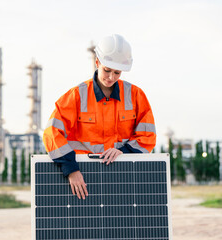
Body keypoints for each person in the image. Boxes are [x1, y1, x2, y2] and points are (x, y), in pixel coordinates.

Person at [43, 34, 156, 200]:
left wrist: (123, 151)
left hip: (121, 176)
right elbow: (52, 133)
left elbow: (147, 136)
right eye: (107, 70)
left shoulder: (136, 96)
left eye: (117, 73)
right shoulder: (77, 96)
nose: (111, 77)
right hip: (82, 177)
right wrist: (71, 170)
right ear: (97, 63)